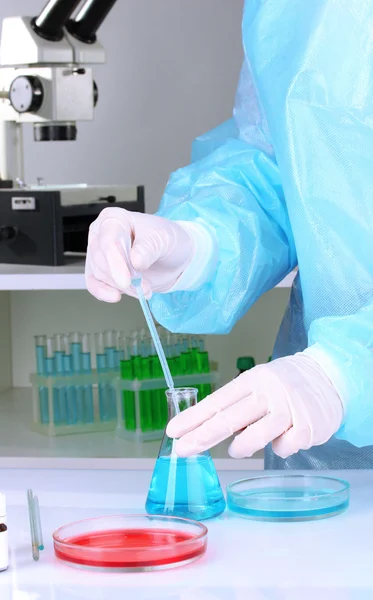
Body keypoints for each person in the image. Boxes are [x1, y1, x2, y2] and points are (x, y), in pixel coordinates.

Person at [85, 0, 373, 469]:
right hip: (321, 455)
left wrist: (348, 369)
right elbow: (283, 165)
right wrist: (199, 243)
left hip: (328, 392)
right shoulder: (291, 10)